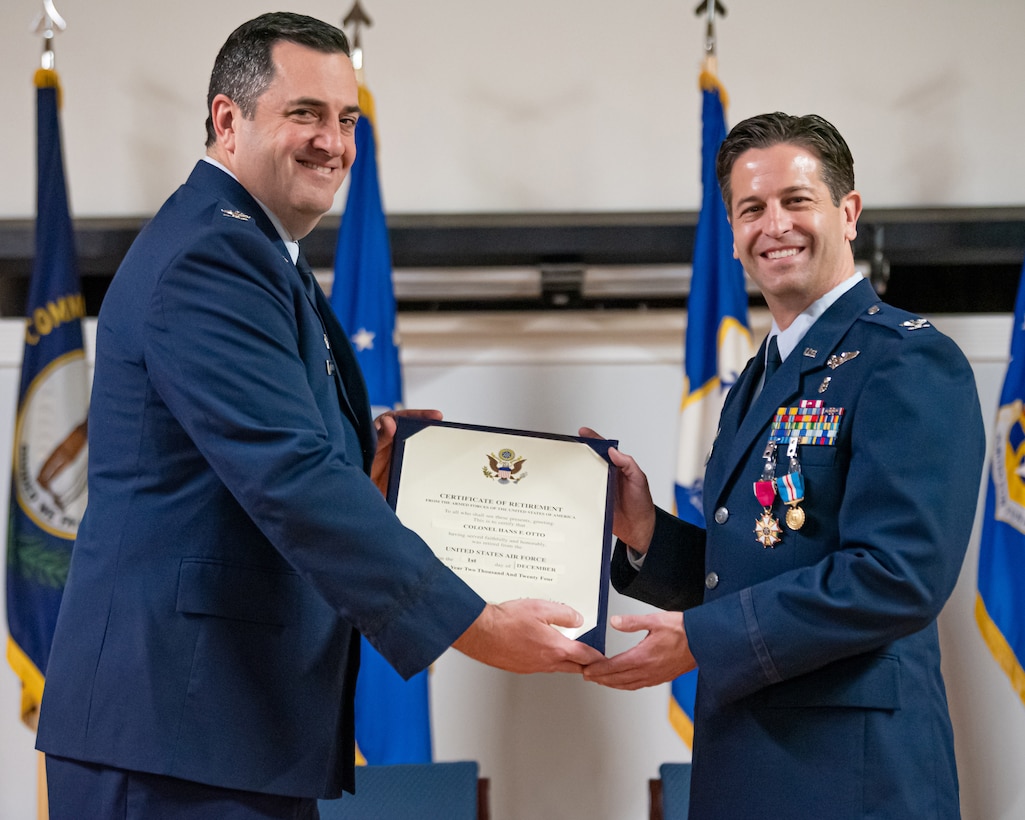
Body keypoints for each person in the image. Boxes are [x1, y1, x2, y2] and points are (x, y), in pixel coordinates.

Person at [35, 12, 601, 819]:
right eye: (305, 114)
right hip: (173, 730)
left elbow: (265, 452)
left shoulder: (262, 256)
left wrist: (368, 454)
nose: (332, 143)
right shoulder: (212, 256)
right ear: (228, 120)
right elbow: (288, 475)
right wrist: (470, 624)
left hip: (223, 727)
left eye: (347, 119)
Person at [581, 112, 985, 818]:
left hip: (852, 777)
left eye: (796, 201)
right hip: (746, 759)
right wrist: (645, 529)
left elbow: (898, 575)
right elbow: (755, 563)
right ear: (731, 235)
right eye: (750, 209)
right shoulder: (756, 379)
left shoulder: (905, 359)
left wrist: (700, 639)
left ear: (847, 212)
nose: (774, 226)